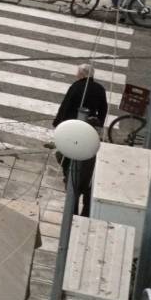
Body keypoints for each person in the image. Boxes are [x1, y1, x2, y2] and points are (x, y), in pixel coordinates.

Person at [59, 65, 108, 216]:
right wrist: (99, 123)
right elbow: (103, 109)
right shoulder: (99, 89)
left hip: (72, 127)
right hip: (90, 128)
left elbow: (66, 106)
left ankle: (71, 213)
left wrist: (59, 123)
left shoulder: (76, 87)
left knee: (67, 159)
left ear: (81, 74)